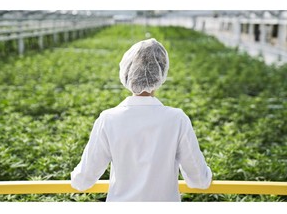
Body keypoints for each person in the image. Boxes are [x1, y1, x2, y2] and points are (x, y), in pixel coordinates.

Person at [71, 38, 212, 202]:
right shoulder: (177, 119)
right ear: (161, 72)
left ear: (127, 72)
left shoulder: (108, 119)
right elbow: (199, 181)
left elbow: (82, 181)